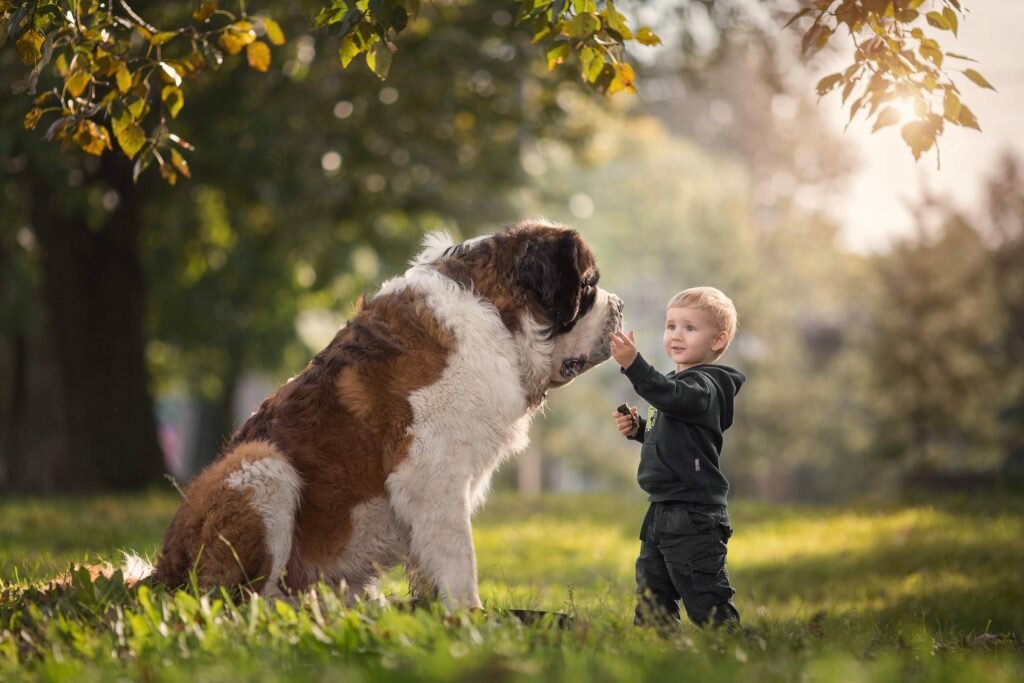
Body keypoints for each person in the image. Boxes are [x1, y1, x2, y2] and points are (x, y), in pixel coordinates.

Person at [609, 286, 746, 629]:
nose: (676, 335)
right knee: (652, 594)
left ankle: (734, 654)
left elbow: (673, 397)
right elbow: (673, 430)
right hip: (662, 508)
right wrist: (639, 429)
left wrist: (634, 366)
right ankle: (658, 654)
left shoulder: (708, 385)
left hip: (693, 514)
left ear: (718, 340)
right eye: (671, 326)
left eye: (690, 328)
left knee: (705, 597)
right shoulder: (678, 385)